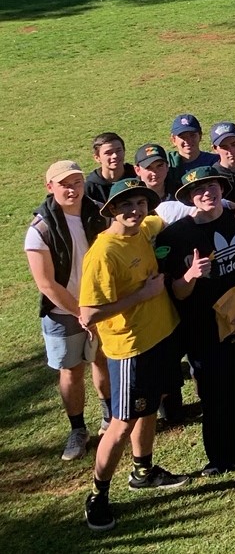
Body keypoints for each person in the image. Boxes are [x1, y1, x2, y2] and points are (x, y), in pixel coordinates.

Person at [78, 178, 190, 531]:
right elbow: (88, 314)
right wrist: (143, 295)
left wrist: (230, 206)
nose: (135, 210)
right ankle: (98, 494)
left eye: (140, 203)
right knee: (121, 422)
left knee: (150, 406)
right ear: (111, 210)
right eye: (126, 204)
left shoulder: (143, 228)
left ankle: (143, 471)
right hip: (130, 350)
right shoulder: (103, 253)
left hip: (160, 336)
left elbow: (168, 214)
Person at [158, 165, 235, 475]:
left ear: (223, 190)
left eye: (212, 186)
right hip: (202, 329)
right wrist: (191, 276)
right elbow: (177, 293)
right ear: (188, 198)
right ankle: (219, 457)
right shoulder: (176, 235)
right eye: (198, 190)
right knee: (212, 393)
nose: (206, 193)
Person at [27, 160, 111, 460]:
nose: (72, 189)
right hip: (63, 312)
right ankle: (78, 430)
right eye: (64, 184)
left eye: (77, 182)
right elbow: (46, 284)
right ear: (50, 187)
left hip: (101, 305)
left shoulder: (101, 213)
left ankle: (109, 418)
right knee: (71, 370)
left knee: (103, 360)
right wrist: (80, 312)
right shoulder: (40, 229)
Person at [84, 132, 135, 206]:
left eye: (118, 150)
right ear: (97, 158)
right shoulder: (90, 187)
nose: (115, 156)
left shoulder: (136, 177)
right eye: (108, 153)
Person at [167, 114, 217, 181]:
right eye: (182, 137)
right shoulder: (167, 164)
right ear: (173, 140)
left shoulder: (214, 161)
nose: (188, 140)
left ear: (200, 136)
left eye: (192, 135)